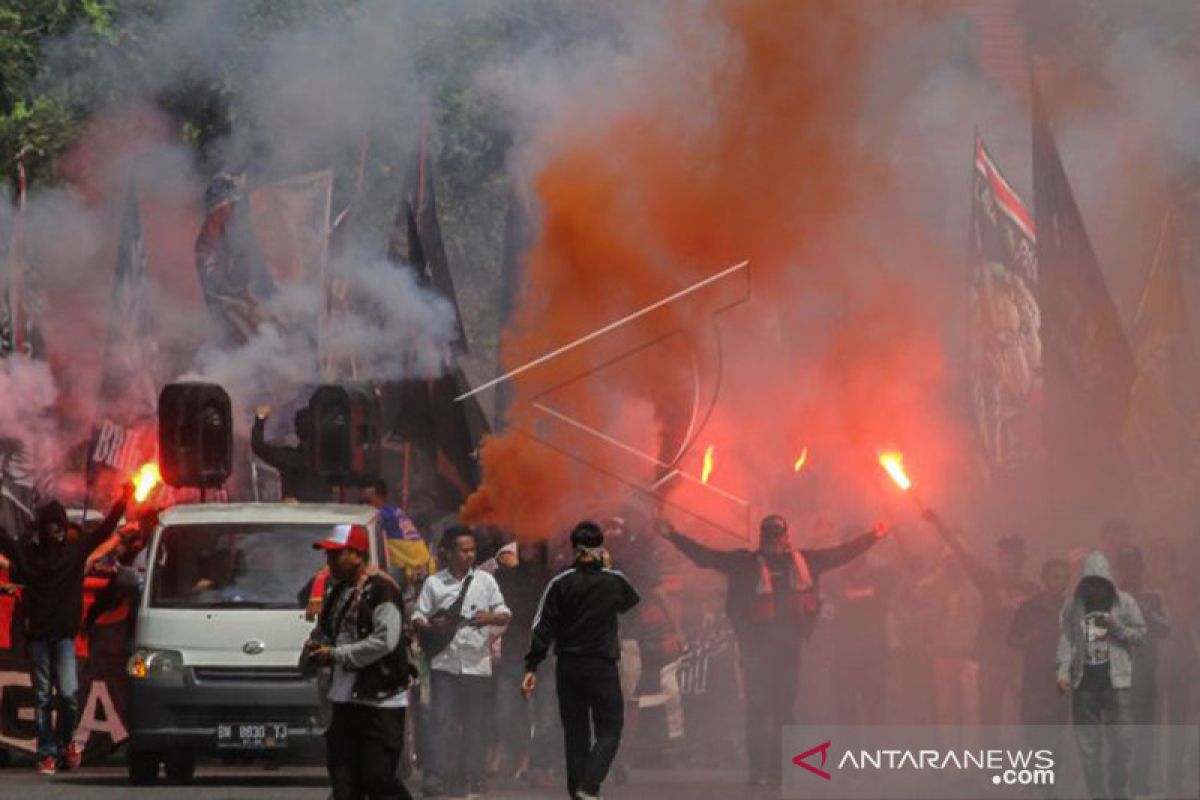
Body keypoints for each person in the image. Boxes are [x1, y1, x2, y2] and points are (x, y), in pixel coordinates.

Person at [661, 514, 886, 786]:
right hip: (755, 649)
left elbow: (841, 554)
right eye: (770, 536)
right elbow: (705, 556)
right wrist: (673, 536)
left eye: (776, 536)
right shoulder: (744, 563)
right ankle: (759, 771)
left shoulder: (802, 562)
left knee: (783, 710)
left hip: (788, 648)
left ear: (785, 537)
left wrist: (873, 536)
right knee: (759, 708)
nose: (775, 542)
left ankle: (778, 771)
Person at [0, 486, 130, 775]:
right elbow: (3, 540)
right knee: (44, 698)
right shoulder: (28, 555)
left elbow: (104, 531)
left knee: (69, 695)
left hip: (64, 639)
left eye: (59, 526)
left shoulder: (73, 553)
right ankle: (48, 753)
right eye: (52, 526)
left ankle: (67, 743)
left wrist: (123, 500)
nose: (57, 531)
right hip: (39, 639)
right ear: (44, 528)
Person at [523, 520, 640, 800]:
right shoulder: (614, 580)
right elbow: (631, 601)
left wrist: (532, 665)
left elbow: (542, 626)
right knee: (610, 729)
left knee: (575, 735)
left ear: (573, 548)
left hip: (568, 667)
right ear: (601, 547)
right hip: (601, 666)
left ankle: (579, 793)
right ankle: (589, 786)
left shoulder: (560, 582)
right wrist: (607, 568)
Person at [303, 523, 414, 800]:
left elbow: (384, 642)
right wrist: (315, 650)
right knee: (343, 783)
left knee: (376, 778)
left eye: (337, 554)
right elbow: (327, 632)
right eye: (328, 555)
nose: (330, 561)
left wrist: (336, 654)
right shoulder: (337, 593)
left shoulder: (383, 590)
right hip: (345, 698)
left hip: (380, 699)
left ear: (357, 554)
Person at [412, 525, 510, 798]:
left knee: (474, 724)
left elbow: (504, 614)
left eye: (472, 550)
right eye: (463, 550)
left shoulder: (486, 582)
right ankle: (434, 775)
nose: (469, 555)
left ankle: (473, 777)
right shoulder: (434, 583)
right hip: (445, 663)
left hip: (476, 664)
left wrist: (487, 618)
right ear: (447, 553)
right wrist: (429, 625)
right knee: (440, 721)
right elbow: (418, 615)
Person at [925, 510, 1038, 725]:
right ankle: (990, 758)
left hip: (1019, 663)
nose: (1005, 562)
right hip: (991, 660)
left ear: (1020, 559)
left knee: (1025, 717)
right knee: (989, 717)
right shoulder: (988, 581)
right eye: (1002, 557)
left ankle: (1027, 757)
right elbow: (962, 555)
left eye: (1010, 557)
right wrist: (939, 525)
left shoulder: (1032, 589)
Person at [1056, 551, 1146, 800]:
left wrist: (1116, 628)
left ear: (1108, 580)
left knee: (1122, 745)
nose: (1095, 588)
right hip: (1085, 685)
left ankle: (1119, 793)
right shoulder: (1073, 606)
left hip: (1117, 684)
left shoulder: (1125, 603)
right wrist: (1062, 672)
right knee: (1088, 750)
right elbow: (1066, 640)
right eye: (1090, 582)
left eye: (1100, 582)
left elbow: (1140, 635)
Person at [1114, 544, 1171, 797]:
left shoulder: (1152, 598)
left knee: (1145, 733)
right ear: (1119, 570)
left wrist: (1146, 612)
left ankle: (1139, 783)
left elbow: (1166, 628)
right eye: (1126, 567)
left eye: (1135, 567)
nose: (1131, 572)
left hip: (1146, 677)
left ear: (1142, 568)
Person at [251, 404, 329, 501]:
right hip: (324, 514)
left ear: (297, 431)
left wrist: (260, 419)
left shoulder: (289, 458)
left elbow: (258, 446)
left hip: (294, 513)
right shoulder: (330, 461)